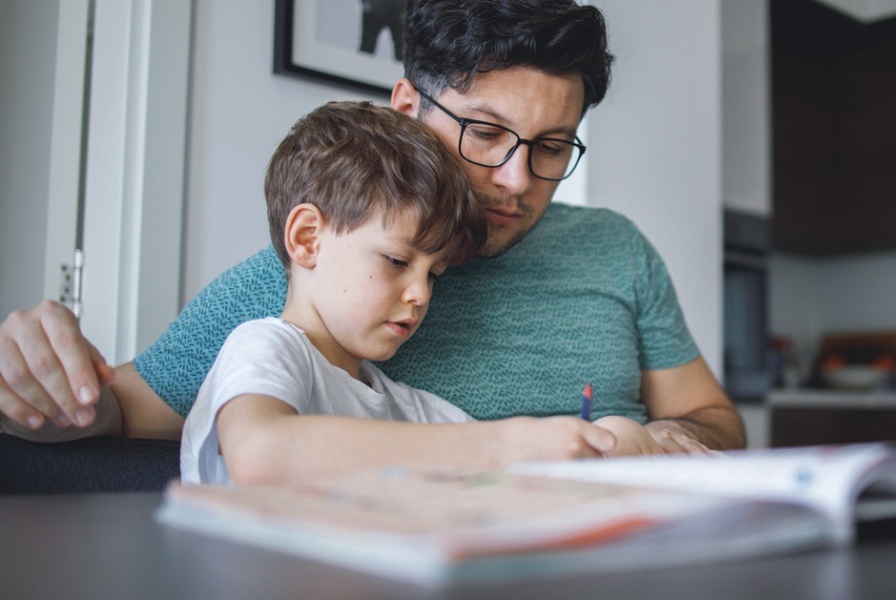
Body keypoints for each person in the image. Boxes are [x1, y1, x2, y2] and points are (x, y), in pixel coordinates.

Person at [0, 0, 745, 456]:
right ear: (404, 108)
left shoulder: (615, 248)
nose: (516, 179)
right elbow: (107, 418)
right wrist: (32, 380)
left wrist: (681, 440)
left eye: (551, 148)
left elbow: (713, 417)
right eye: (485, 133)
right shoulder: (308, 282)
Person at [185, 101, 643, 486]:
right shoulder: (268, 347)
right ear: (308, 239)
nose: (420, 294)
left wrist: (609, 438)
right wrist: (501, 445)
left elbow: (517, 476)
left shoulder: (406, 408)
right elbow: (260, 453)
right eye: (398, 262)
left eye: (435, 275)